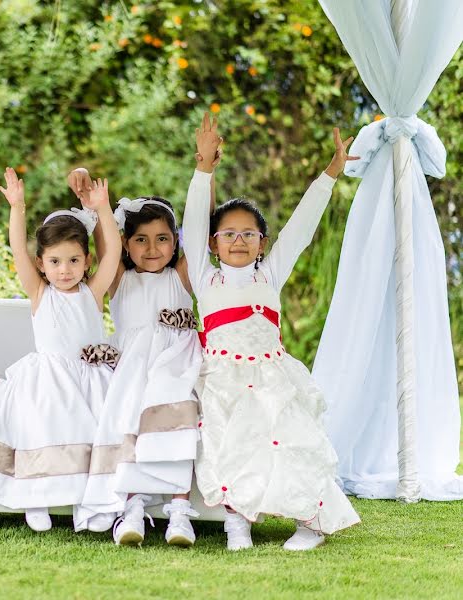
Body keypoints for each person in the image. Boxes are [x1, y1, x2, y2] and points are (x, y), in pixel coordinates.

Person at [183, 114, 361, 551]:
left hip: (271, 376)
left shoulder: (271, 274)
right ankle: (237, 525)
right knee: (229, 446)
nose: (239, 241)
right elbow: (191, 222)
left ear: (262, 242)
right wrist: (203, 168)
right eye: (229, 233)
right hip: (223, 379)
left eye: (249, 234)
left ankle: (311, 521)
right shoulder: (207, 279)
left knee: (292, 442)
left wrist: (330, 174)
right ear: (212, 243)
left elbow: (301, 228)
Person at [67, 164, 213, 546]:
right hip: (134, 364)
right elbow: (104, 243)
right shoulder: (119, 277)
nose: (152, 249)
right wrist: (90, 200)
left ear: (176, 242)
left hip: (178, 362)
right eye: (141, 240)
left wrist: (205, 173)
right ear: (126, 244)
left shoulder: (182, 275)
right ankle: (132, 506)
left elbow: (200, 228)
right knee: (128, 413)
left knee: (178, 413)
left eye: (163, 239)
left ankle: (179, 511)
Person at [0, 169, 120, 532]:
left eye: (74, 260)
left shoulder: (93, 292)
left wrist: (103, 209)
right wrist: (17, 206)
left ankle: (91, 503)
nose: (65, 270)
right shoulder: (39, 292)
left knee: (98, 427)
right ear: (41, 263)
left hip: (90, 375)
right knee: (42, 419)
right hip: (49, 376)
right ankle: (35, 496)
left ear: (86, 261)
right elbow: (17, 248)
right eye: (55, 262)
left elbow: (114, 253)